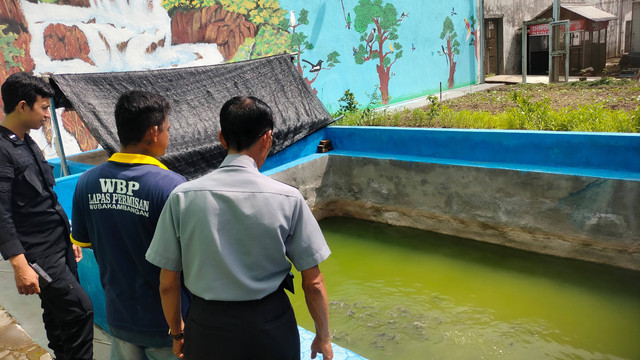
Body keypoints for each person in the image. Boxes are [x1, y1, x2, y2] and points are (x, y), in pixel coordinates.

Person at [146, 96, 334, 360]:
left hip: (206, 328)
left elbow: (168, 282)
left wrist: (177, 334)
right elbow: (313, 283)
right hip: (270, 325)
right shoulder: (288, 198)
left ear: (222, 138)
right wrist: (323, 337)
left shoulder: (182, 197)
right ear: (267, 138)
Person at [71, 90, 191, 359]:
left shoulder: (87, 183)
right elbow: (183, 265)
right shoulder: (172, 187)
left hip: (119, 318)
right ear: (153, 132)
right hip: (167, 326)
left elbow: (86, 242)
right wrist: (179, 331)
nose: (168, 137)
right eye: (167, 130)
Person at [0, 72, 94, 360]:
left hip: (58, 244)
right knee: (80, 309)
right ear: (23, 106)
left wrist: (68, 235)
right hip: (38, 252)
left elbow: (47, 198)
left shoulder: (26, 142)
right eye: (43, 108)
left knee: (57, 312)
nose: (46, 115)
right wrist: (19, 263)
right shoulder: (3, 150)